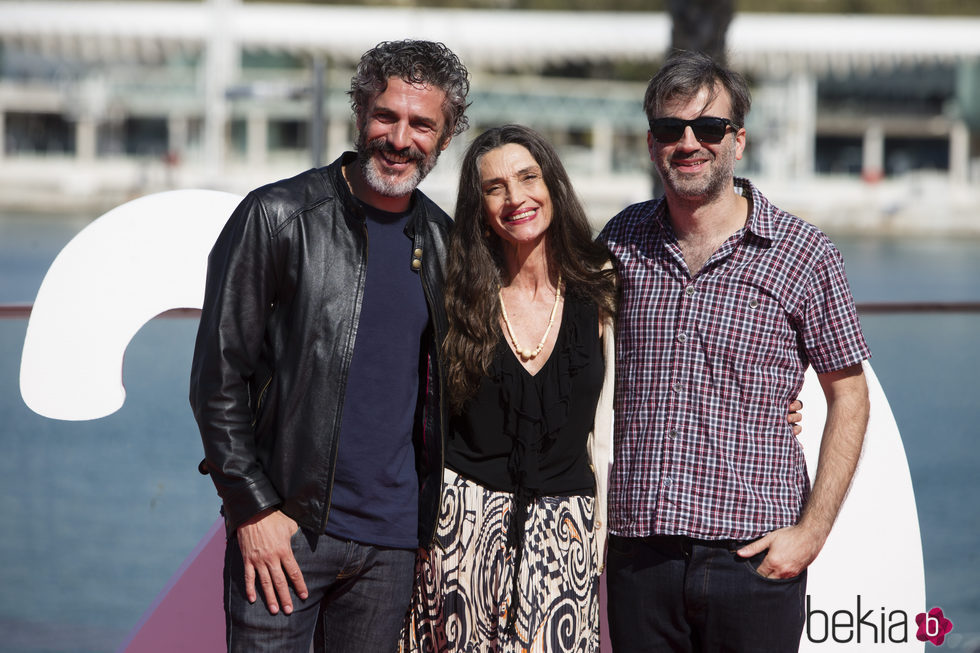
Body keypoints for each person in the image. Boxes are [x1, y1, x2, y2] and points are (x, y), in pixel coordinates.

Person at [188, 40, 469, 652]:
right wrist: (252, 508)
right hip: (284, 532)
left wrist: (422, 530)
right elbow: (217, 377)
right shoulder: (277, 216)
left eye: (422, 124)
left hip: (391, 547)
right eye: (386, 116)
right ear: (360, 113)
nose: (400, 138)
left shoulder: (447, 245)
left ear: (445, 139)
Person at [598, 50, 871, 652]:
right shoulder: (619, 241)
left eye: (709, 128)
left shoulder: (804, 254)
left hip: (754, 562)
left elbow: (849, 395)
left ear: (738, 140)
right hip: (640, 558)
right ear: (651, 144)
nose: (689, 143)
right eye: (671, 129)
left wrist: (813, 532)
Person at [402, 124, 618, 652]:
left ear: (553, 185)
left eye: (528, 177)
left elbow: (663, 373)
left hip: (564, 537)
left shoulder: (603, 284)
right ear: (479, 207)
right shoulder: (453, 288)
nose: (515, 197)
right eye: (495, 187)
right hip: (459, 535)